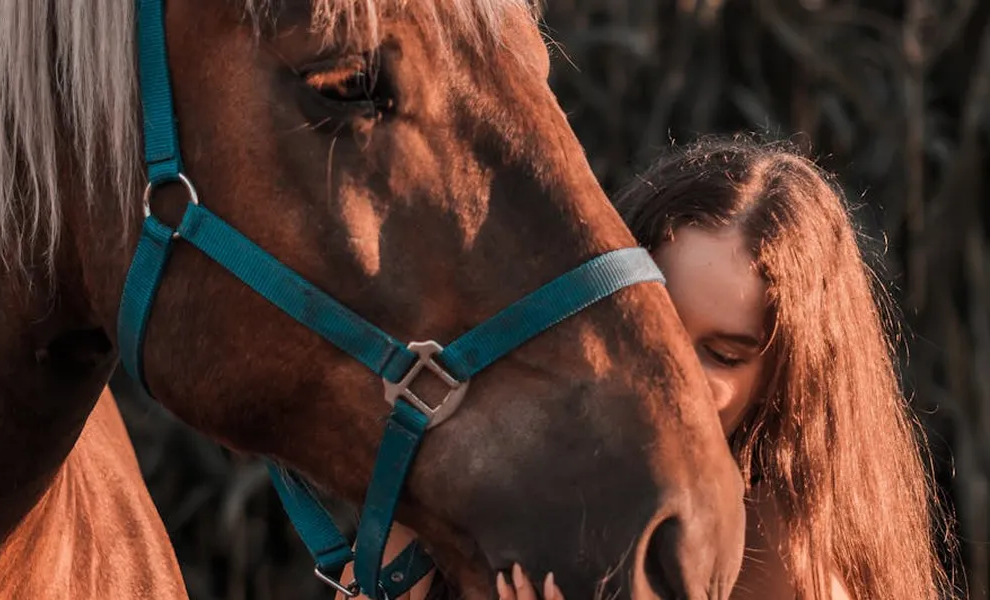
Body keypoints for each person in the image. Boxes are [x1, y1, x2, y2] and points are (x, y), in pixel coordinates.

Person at [338, 135, 957, 600]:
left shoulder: (788, 569)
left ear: (784, 381)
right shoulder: (472, 492)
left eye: (721, 354)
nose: (668, 377)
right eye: (652, 324)